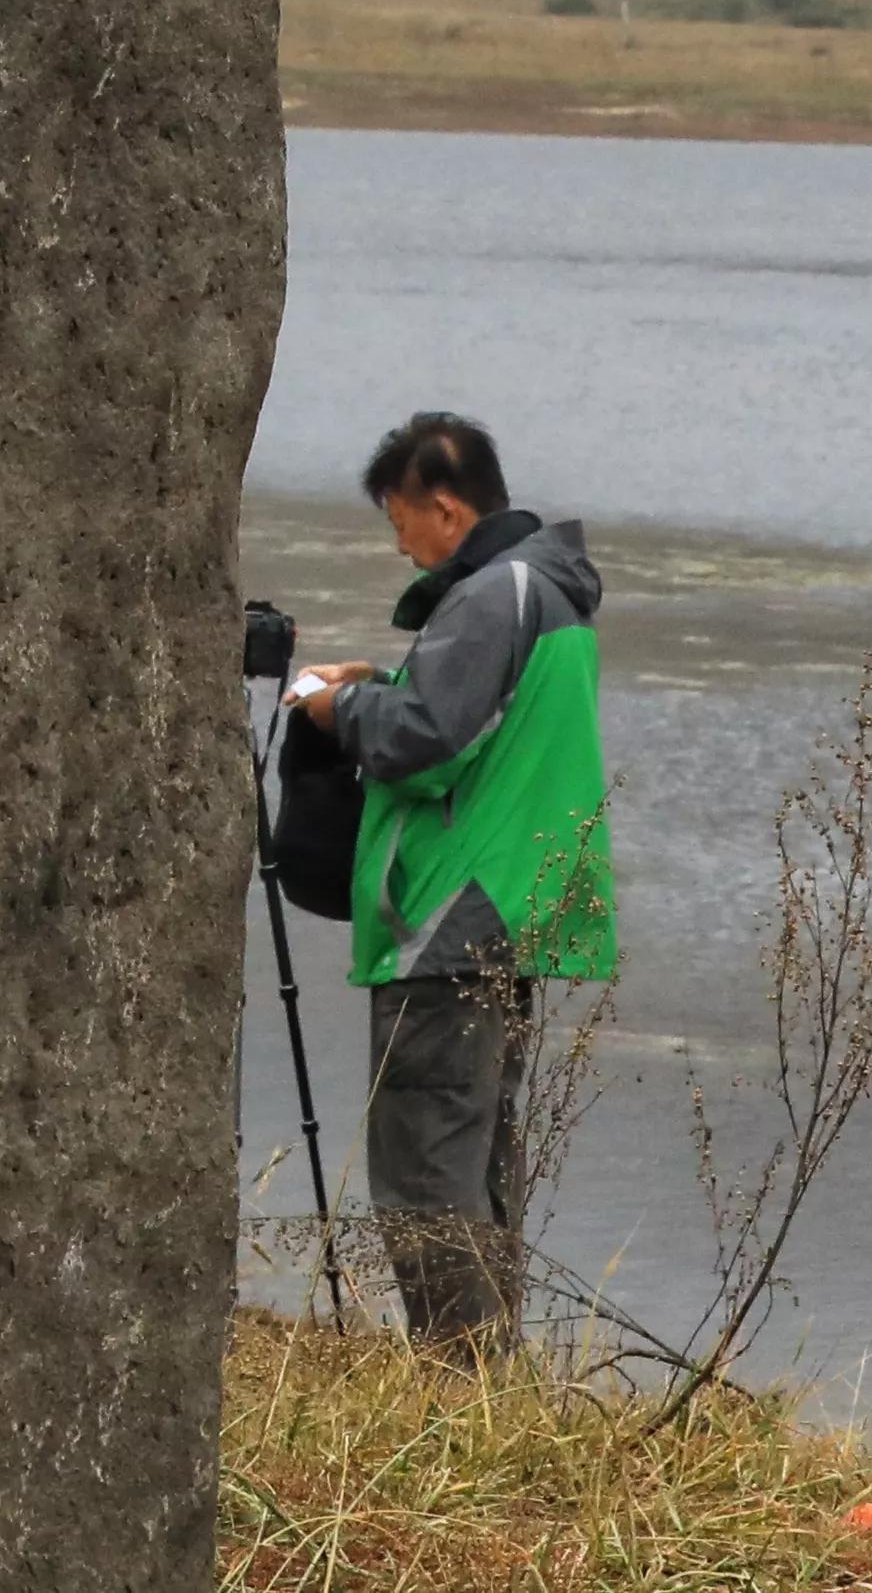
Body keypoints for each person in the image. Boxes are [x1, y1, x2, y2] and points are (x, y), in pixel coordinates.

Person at [287, 406, 615, 1350]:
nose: (399, 546)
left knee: (425, 1164)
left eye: (397, 521)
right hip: (517, 905)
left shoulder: (486, 597)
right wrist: (386, 683)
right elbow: (482, 728)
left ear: (441, 506)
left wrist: (334, 706)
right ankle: (487, 1383)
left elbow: (420, 743)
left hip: (453, 916)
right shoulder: (545, 590)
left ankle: (455, 1382)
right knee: (477, 1158)